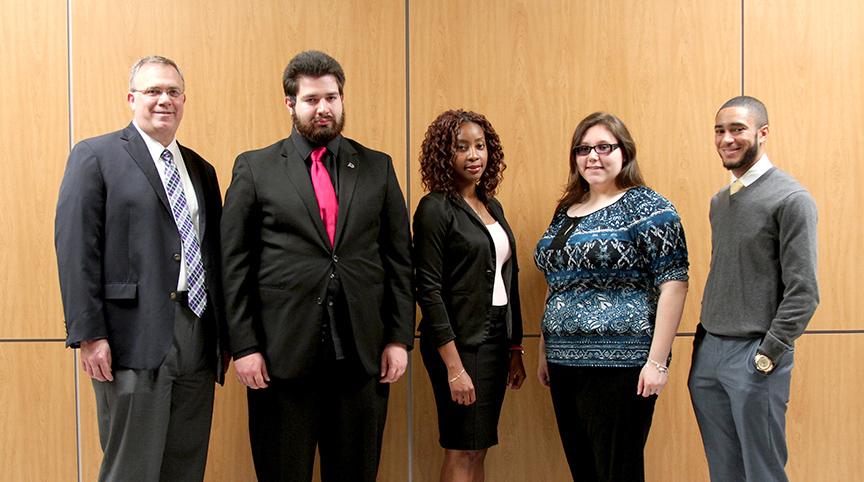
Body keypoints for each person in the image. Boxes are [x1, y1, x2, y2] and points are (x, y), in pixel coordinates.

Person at [220, 50, 414, 482]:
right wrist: (245, 346)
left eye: (332, 97)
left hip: (361, 356)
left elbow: (399, 260)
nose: (323, 108)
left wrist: (399, 337)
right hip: (280, 359)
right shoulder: (255, 168)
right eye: (311, 100)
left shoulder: (377, 167)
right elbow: (233, 266)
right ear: (290, 104)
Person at [55, 55, 225, 481]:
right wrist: (89, 334)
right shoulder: (95, 156)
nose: (163, 99)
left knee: (185, 466)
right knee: (131, 469)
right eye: (152, 91)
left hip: (197, 331)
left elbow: (213, 253)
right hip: (130, 337)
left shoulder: (202, 170)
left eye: (172, 91)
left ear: (184, 100)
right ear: (132, 99)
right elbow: (76, 250)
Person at [534, 112, 689, 481]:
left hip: (623, 365)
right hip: (563, 361)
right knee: (583, 469)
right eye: (583, 148)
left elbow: (674, 283)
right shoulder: (565, 211)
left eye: (604, 147)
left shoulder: (648, 207)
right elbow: (557, 283)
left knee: (618, 469)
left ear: (625, 151)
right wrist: (544, 348)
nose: (593, 156)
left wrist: (657, 363)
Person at [688, 96, 819, 481]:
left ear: (763, 133)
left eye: (737, 129)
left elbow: (804, 291)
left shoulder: (791, 199)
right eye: (720, 130)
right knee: (723, 470)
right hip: (710, 352)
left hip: (755, 356)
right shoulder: (719, 202)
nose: (727, 138)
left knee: (762, 472)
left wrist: (768, 353)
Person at [414, 110, 526, 482]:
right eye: (461, 148)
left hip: (494, 338)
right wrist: (455, 367)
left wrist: (514, 348)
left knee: (478, 447)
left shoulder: (492, 206)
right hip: (458, 343)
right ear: (444, 155)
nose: (473, 155)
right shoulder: (435, 208)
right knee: (461, 447)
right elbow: (427, 290)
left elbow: (509, 279)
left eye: (480, 146)